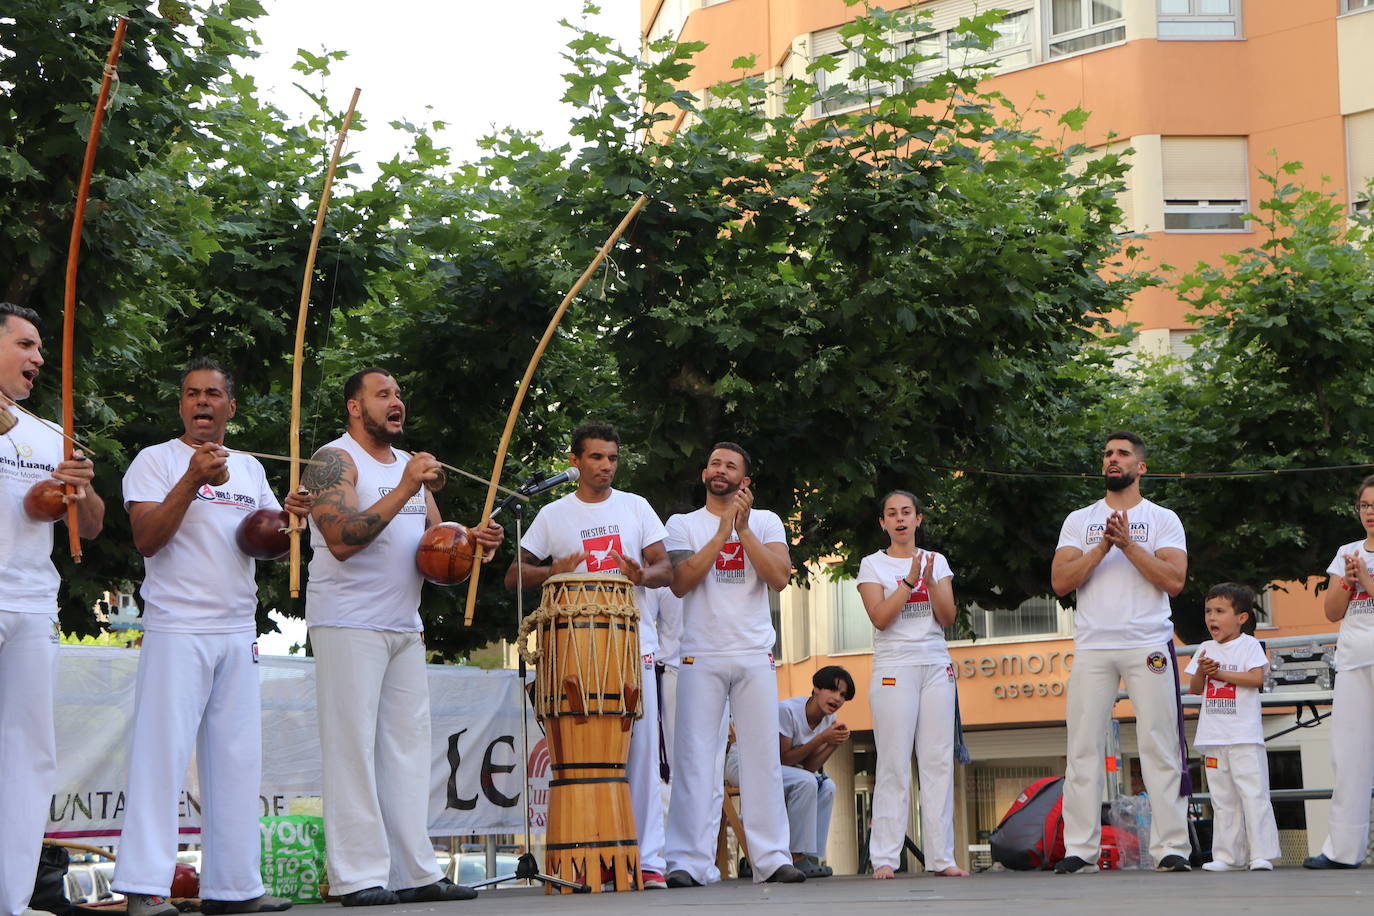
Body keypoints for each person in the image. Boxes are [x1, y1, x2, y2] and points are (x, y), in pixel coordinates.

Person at [301, 368, 504, 906]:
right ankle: (357, 877)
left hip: (402, 625)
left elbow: (433, 545)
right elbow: (342, 538)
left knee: (408, 752)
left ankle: (414, 871)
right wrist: (408, 485)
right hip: (348, 622)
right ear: (354, 407)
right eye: (383, 394)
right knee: (352, 751)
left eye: (398, 395)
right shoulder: (333, 459)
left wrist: (471, 543)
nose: (397, 402)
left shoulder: (404, 464)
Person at [113, 359, 308, 916]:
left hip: (237, 626)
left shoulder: (249, 468)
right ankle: (144, 887)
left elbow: (262, 539)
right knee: (160, 756)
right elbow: (147, 539)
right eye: (193, 394)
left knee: (238, 759)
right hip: (176, 625)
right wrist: (193, 478)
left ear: (231, 407)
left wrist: (289, 521)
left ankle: (233, 888)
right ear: (181, 406)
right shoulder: (155, 460)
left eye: (214, 394)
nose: (202, 402)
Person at [503, 421, 674, 889]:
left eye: (613, 458)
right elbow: (514, 576)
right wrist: (551, 571)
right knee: (583, 762)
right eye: (596, 457)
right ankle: (592, 858)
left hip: (630, 647)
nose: (606, 466)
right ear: (575, 460)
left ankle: (650, 862)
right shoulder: (552, 514)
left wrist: (644, 574)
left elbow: (666, 568)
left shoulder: (636, 507)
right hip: (574, 655)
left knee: (638, 757)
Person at [0, 302, 104, 916]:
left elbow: (88, 529)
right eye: (26, 345)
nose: (39, 358)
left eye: (42, 348)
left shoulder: (49, 433)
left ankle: (10, 899)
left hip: (33, 604)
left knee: (30, 752)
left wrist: (82, 490)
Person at [662, 442, 804, 886]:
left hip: (754, 653)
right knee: (695, 760)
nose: (720, 470)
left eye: (731, 466)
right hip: (699, 652)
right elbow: (682, 581)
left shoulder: (766, 521)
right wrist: (723, 530)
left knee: (762, 758)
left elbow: (780, 577)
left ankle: (771, 859)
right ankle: (688, 862)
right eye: (714, 463)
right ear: (704, 473)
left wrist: (743, 531)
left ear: (745, 482)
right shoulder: (681, 524)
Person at [1050, 430, 1191, 874]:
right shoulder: (1080, 519)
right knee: (1083, 748)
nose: (1113, 459)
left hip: (1148, 644)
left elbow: (1173, 581)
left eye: (1123, 454)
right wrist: (1103, 545)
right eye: (1108, 453)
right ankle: (1080, 850)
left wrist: (1129, 544)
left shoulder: (1163, 518)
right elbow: (1060, 581)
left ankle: (1171, 849)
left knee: (1158, 745)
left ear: (1140, 467)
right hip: (1093, 645)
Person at [857, 491, 968, 879]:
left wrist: (931, 577)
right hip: (894, 667)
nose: (900, 519)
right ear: (883, 523)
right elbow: (881, 618)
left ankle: (942, 858)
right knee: (893, 762)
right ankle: (885, 857)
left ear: (918, 519)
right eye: (892, 514)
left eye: (907, 513)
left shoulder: (937, 561)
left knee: (937, 762)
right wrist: (908, 581)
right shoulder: (873, 565)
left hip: (936, 665)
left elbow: (947, 615)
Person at [1304, 474, 1374, 869]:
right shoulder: (1348, 551)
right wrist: (1349, 582)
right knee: (1348, 757)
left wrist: (1366, 579)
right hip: (1353, 662)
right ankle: (1342, 851)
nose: (1370, 513)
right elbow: (1331, 612)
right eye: (1365, 506)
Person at [1184, 582, 1279, 872]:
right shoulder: (1204, 648)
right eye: (1208, 611)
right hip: (1214, 737)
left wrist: (1221, 672)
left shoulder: (1249, 645)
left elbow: (1255, 679)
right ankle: (1227, 855)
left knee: (1253, 794)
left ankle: (1262, 853)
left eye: (1220, 611)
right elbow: (1196, 688)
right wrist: (1203, 668)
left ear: (1241, 618)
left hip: (1244, 736)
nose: (1212, 617)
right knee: (1222, 798)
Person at [725, 665, 853, 878]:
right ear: (816, 689)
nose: (837, 698)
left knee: (826, 785)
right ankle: (794, 857)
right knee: (806, 782)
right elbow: (784, 758)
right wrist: (822, 739)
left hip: (777, 769)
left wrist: (833, 744)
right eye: (832, 690)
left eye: (843, 695)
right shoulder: (788, 711)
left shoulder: (828, 720)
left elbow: (808, 767)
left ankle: (806, 856)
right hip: (746, 764)